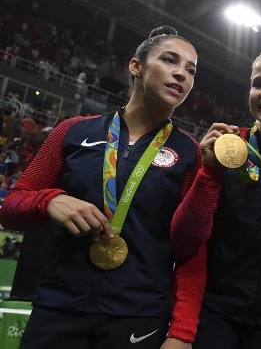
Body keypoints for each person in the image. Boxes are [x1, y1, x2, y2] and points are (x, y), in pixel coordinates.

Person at [0, 25, 207, 349]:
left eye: (190, 70)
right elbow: (12, 209)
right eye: (170, 60)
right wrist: (49, 201)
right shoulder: (72, 131)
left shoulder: (191, 154)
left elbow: (191, 252)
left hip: (138, 316)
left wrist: (182, 333)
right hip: (59, 305)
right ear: (135, 66)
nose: (181, 74)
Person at [169, 50, 261, 348]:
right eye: (258, 83)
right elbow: (185, 239)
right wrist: (209, 172)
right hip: (215, 312)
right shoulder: (222, 151)